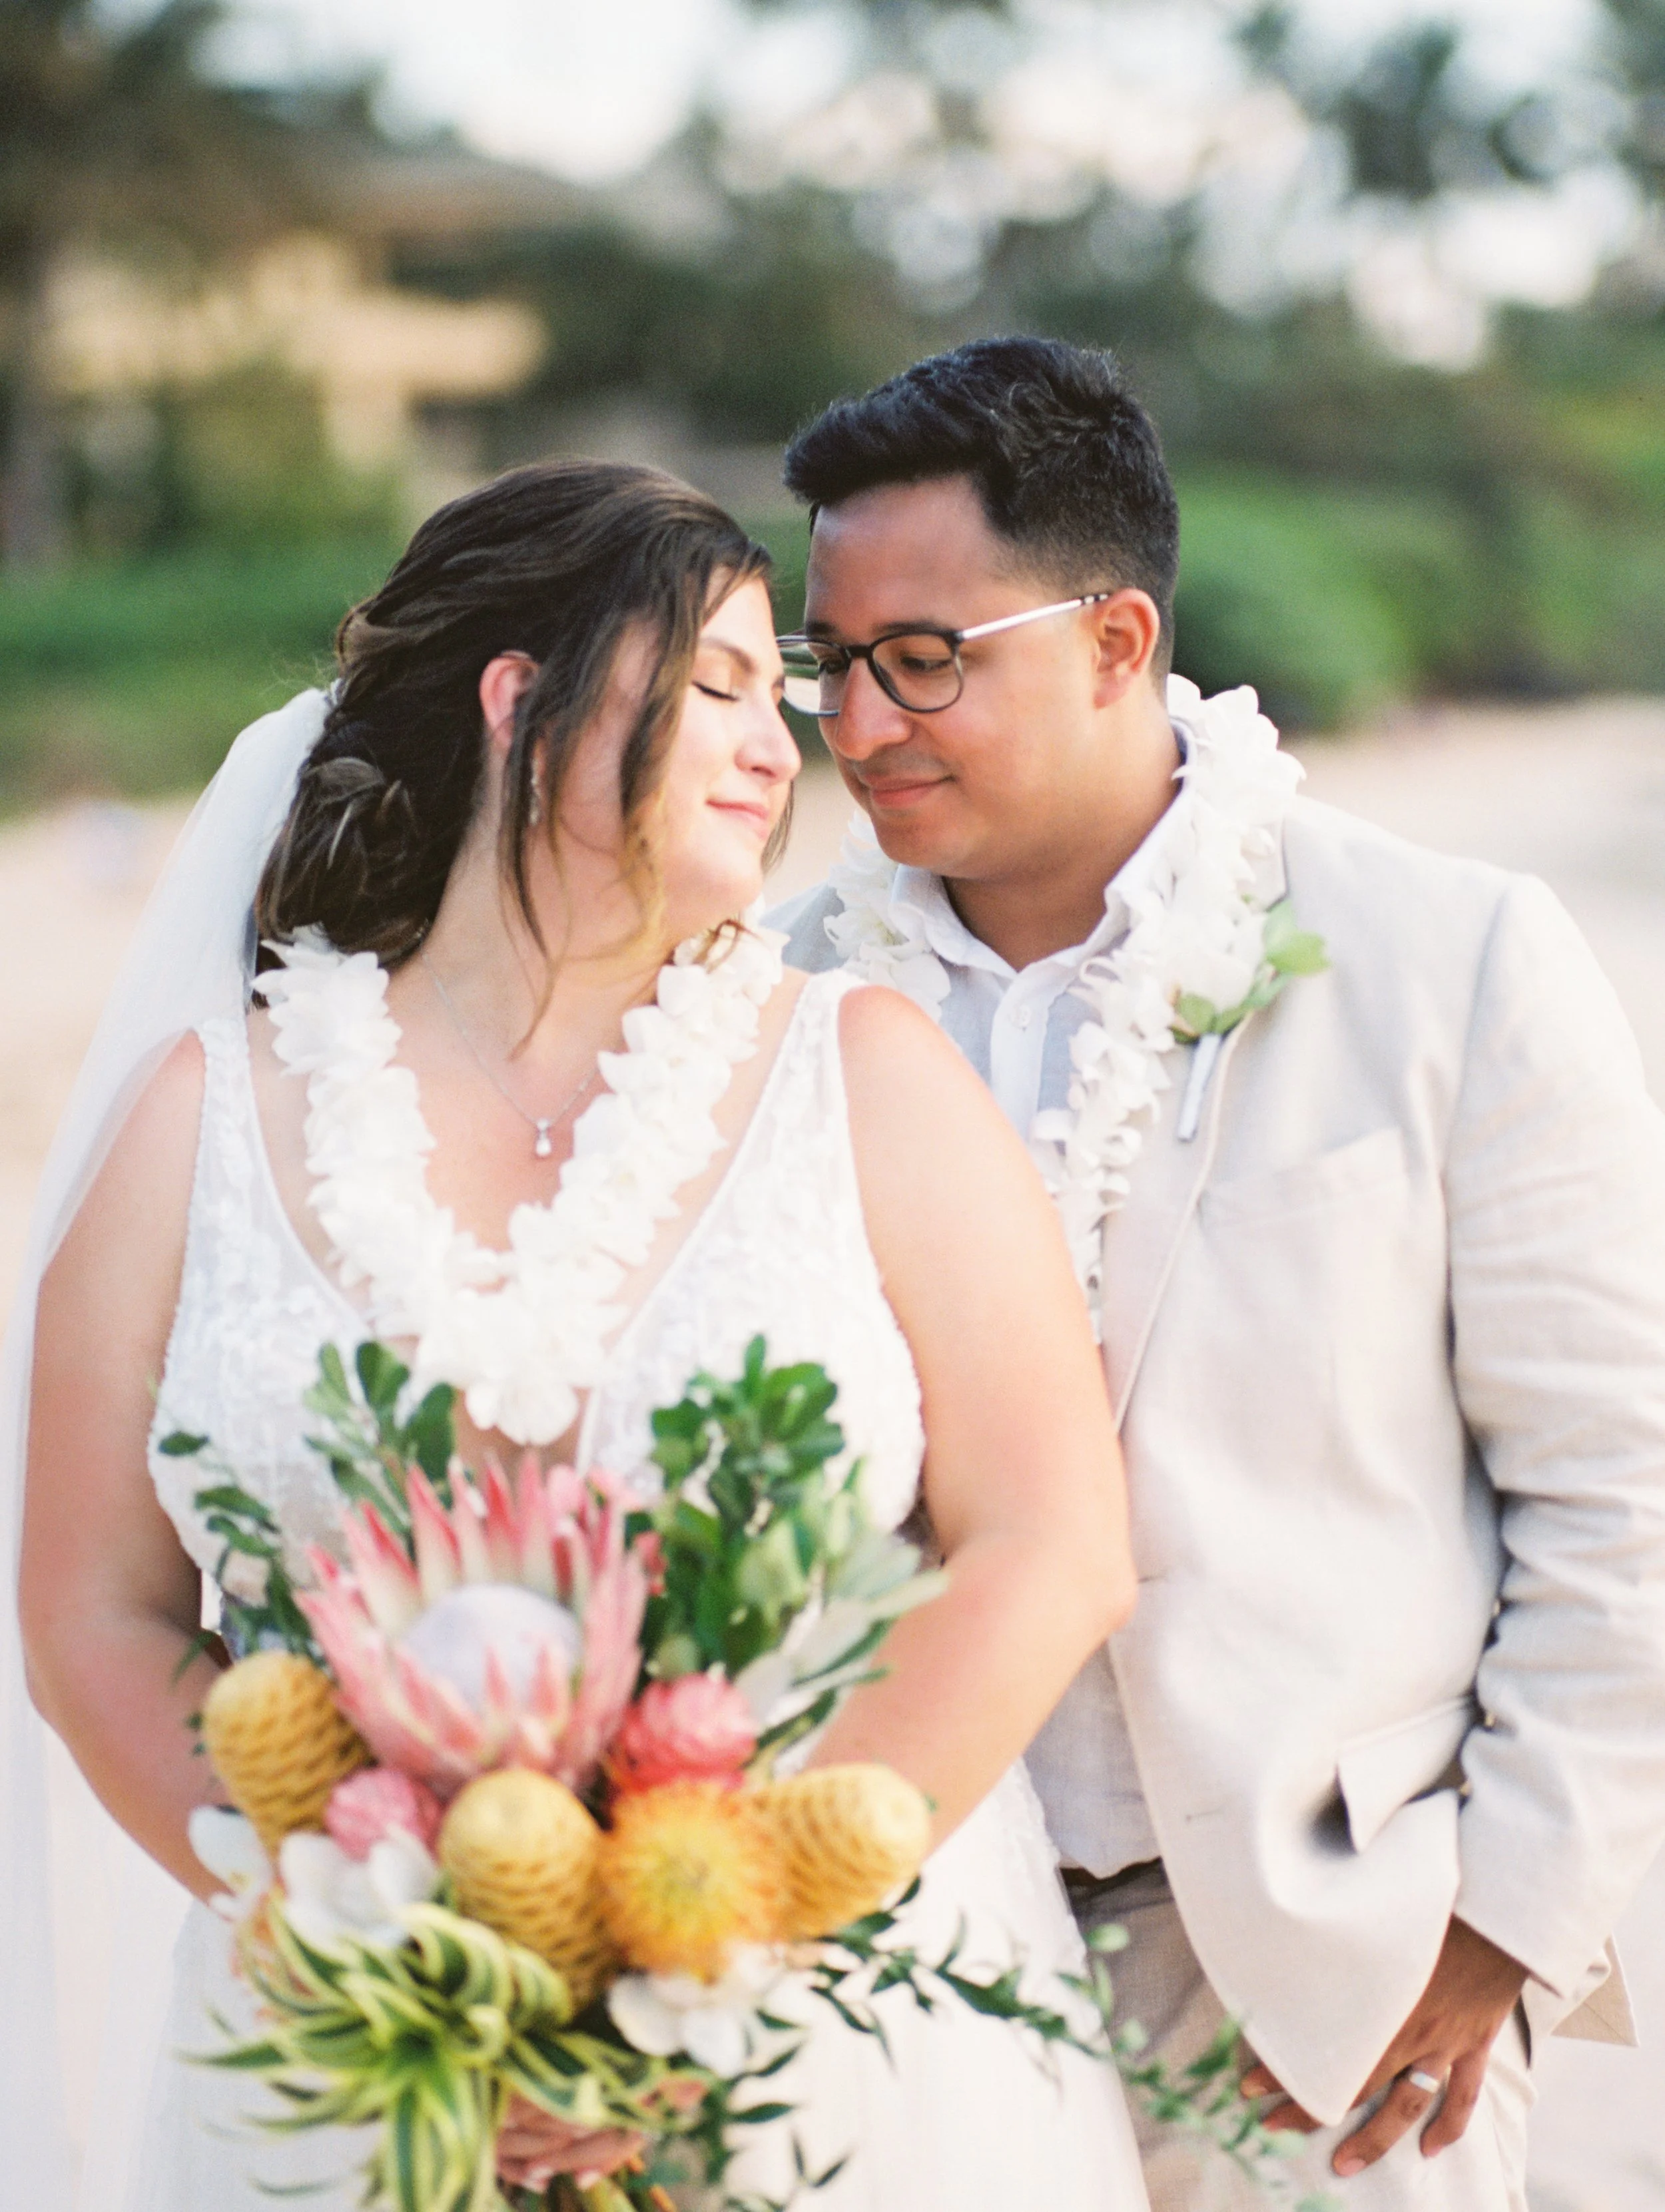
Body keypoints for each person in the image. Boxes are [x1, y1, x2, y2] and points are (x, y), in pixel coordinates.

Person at [11, 460, 1150, 2210]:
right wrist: (361, 1951)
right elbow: (93, 1604)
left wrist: (707, 1953)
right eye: (714, 684)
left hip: (822, 2060)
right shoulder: (206, 1117)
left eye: (778, 698)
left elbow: (1050, 1545)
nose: (783, 746)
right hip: (353, 2083)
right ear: (517, 694)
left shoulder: (858, 1074)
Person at [770, 335, 1665, 2212]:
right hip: (894, 1963)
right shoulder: (768, 999)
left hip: (1319, 1967)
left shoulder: (1450, 956)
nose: (857, 730)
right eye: (825, 667)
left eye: (923, 660)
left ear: (1112, 643)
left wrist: (1497, 1922)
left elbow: (1620, 1485)